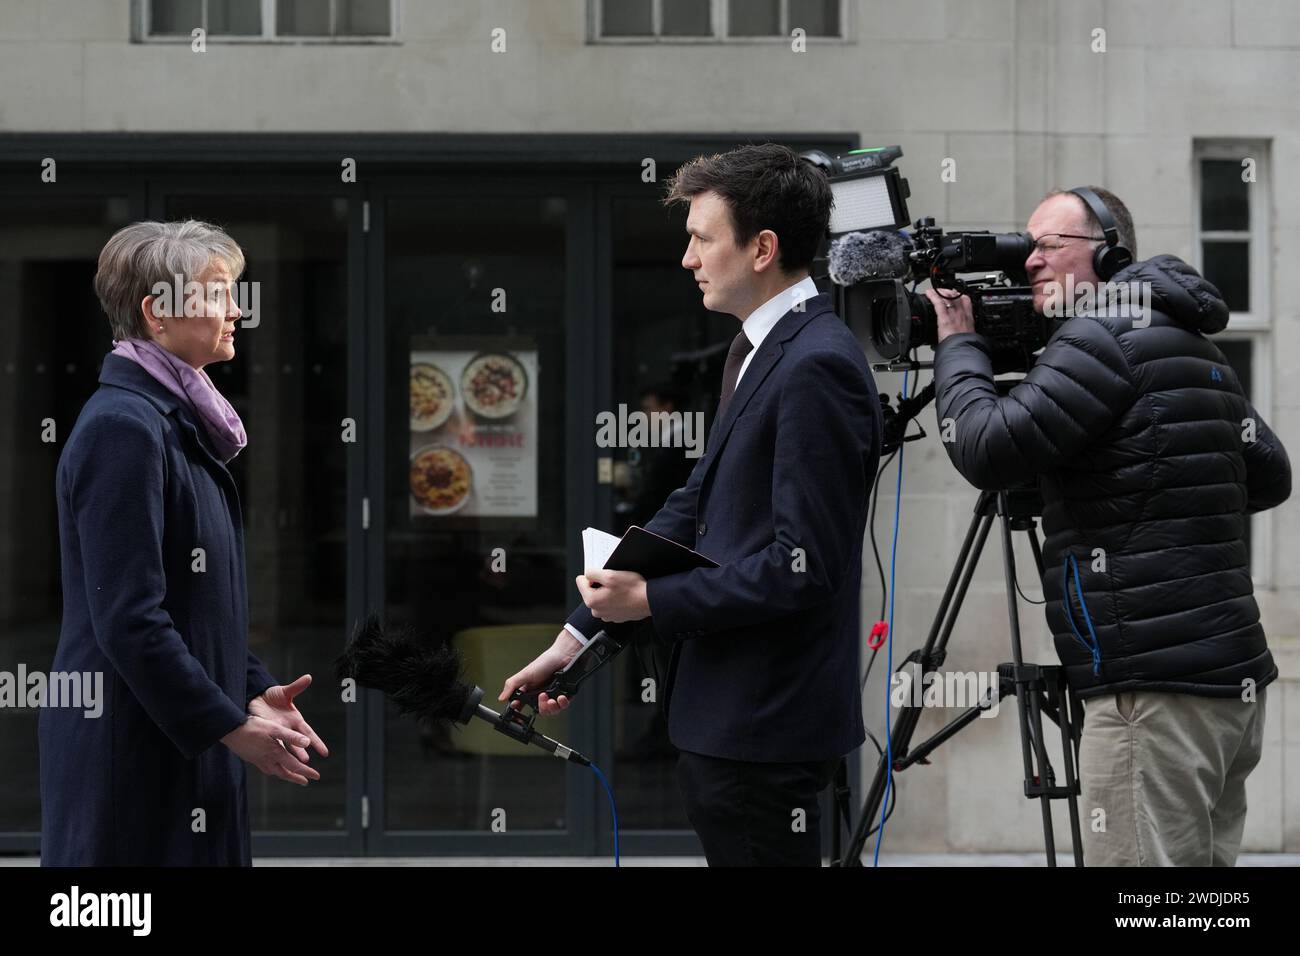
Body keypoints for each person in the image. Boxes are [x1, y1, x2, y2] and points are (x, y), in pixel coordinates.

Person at [501, 143, 882, 865]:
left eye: (702, 238)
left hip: (766, 732)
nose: (688, 258)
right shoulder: (757, 351)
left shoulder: (816, 364)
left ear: (762, 248)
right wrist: (577, 636)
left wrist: (652, 602)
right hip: (734, 728)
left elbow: (805, 567)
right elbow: (697, 500)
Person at [929, 186, 1292, 866]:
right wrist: (1126, 475)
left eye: (1048, 246)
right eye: (1026, 245)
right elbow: (1269, 472)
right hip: (1227, 687)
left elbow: (986, 447)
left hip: (1150, 697)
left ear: (1110, 254)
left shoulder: (1098, 338)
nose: (1029, 261)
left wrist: (959, 345)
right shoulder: (1183, 338)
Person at [39, 220, 328, 866]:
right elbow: (130, 619)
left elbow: (194, 603)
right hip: (132, 761)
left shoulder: (171, 420)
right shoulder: (124, 428)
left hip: (178, 748)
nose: (236, 311)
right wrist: (228, 725)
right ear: (158, 314)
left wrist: (250, 688)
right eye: (219, 293)